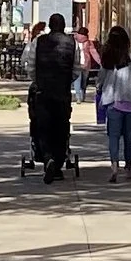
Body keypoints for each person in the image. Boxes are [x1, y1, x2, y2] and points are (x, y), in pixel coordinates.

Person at [27, 10, 78, 182]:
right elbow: (78, 67)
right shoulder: (72, 43)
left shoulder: (39, 42)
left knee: (43, 127)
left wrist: (37, 81)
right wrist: (67, 81)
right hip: (62, 92)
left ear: (49, 26)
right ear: (63, 26)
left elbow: (31, 64)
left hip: (43, 91)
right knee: (61, 128)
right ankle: (57, 164)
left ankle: (47, 157)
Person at [95, 23, 131, 177]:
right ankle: (128, 168)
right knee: (129, 138)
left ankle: (114, 167)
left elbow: (101, 78)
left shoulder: (108, 59)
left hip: (113, 103)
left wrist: (99, 88)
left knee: (113, 137)